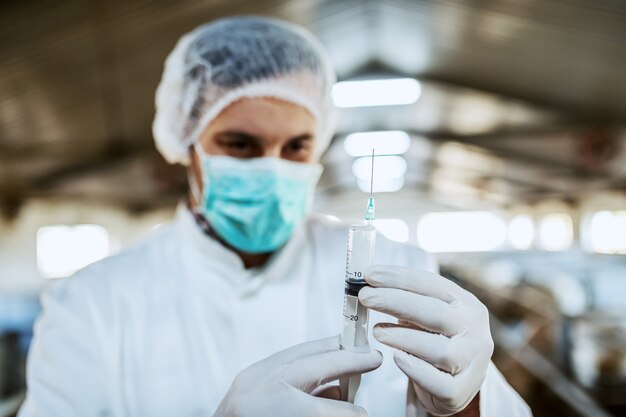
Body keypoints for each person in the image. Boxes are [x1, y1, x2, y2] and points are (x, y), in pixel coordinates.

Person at [19, 16, 532, 417]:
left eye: (296, 145)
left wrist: (470, 401)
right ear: (187, 144)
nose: (272, 168)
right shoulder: (91, 304)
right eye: (240, 144)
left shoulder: (399, 269)